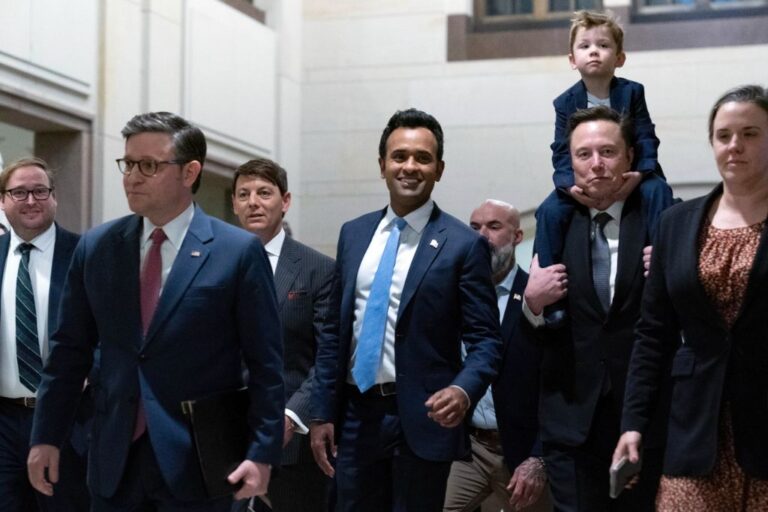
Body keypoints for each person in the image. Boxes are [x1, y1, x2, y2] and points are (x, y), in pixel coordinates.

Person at [27, 112, 285, 511]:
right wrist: (45, 436)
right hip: (115, 457)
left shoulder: (236, 252)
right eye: (128, 164)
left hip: (200, 460)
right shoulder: (98, 247)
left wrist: (262, 452)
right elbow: (68, 351)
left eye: (149, 166)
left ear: (189, 172)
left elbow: (266, 363)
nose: (133, 176)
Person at [309, 108, 504, 512]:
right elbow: (333, 332)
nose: (410, 166)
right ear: (382, 165)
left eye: (422, 158)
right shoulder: (354, 234)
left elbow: (486, 341)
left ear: (440, 169)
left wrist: (463, 390)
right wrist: (321, 412)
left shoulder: (463, 245)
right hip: (355, 415)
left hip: (424, 419)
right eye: (399, 156)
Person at [614, 85, 768, 510]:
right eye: (724, 135)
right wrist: (633, 424)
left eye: (751, 133)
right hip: (693, 429)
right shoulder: (676, 223)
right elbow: (652, 334)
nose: (735, 145)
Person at [523, 105, 669, 511]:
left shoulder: (662, 221)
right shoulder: (554, 222)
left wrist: (671, 275)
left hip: (645, 417)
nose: (597, 164)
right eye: (584, 154)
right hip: (570, 420)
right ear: (570, 162)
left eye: (608, 152)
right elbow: (538, 327)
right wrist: (532, 303)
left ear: (629, 158)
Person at [535, 10, 673, 323]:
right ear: (572, 59)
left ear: (620, 57)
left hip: (632, 170)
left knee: (659, 192)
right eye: (585, 46)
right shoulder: (564, 102)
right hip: (583, 178)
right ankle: (551, 288)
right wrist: (570, 185)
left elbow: (646, 136)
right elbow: (560, 150)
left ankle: (661, 267)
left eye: (603, 45)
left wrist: (639, 173)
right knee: (548, 211)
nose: (594, 51)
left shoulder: (632, 91)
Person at [230, 157, 334, 512]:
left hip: (290, 438)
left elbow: (328, 357)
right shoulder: (212, 262)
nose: (253, 202)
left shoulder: (317, 270)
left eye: (264, 193)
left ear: (285, 201)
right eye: (243, 194)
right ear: (233, 204)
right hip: (223, 437)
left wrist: (294, 416)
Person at [443, 199, 550, 512]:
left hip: (521, 452)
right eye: (474, 227)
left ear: (517, 237)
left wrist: (540, 456)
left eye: (493, 226)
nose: (481, 236)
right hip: (469, 448)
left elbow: (559, 386)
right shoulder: (454, 295)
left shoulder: (536, 294)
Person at [0, 158, 86, 512]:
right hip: (3, 422)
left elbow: (113, 331)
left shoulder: (85, 254)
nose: (31, 200)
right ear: (2, 201)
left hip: (68, 420)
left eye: (40, 191)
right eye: (19, 192)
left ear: (54, 198)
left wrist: (89, 373)